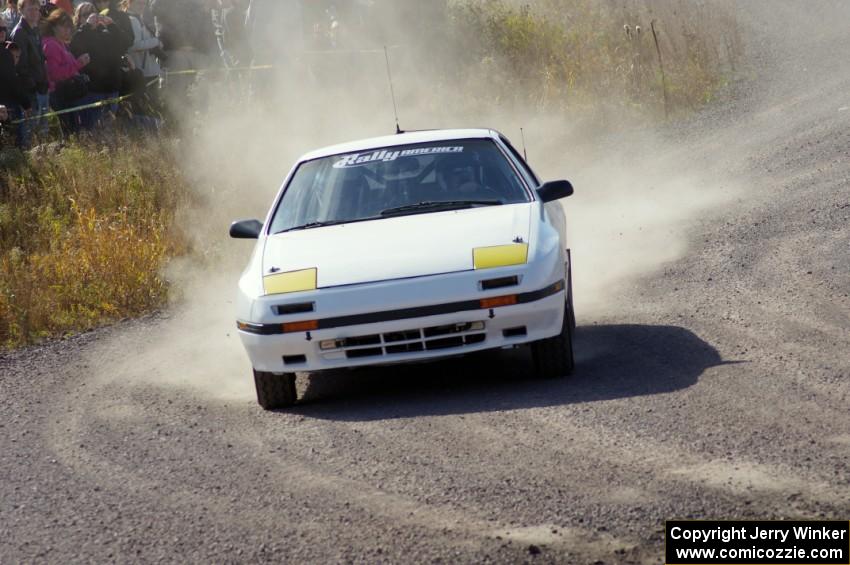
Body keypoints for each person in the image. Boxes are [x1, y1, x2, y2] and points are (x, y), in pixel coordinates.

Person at [70, 2, 125, 124]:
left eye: (93, 13)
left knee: (109, 128)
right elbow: (74, 47)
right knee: (94, 130)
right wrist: (87, 26)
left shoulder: (105, 33)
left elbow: (122, 45)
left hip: (111, 88)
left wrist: (112, 25)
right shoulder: (79, 34)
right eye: (86, 14)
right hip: (93, 90)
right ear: (78, 19)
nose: (91, 16)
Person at [41, 8, 91, 133]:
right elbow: (55, 74)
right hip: (58, 95)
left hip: (66, 94)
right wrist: (78, 64)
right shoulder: (51, 45)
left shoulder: (61, 43)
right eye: (64, 27)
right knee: (68, 132)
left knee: (74, 131)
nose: (68, 30)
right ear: (53, 27)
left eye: (70, 27)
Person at [11, 0, 48, 146]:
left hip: (42, 89)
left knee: (43, 133)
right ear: (22, 10)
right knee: (30, 136)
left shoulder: (35, 30)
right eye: (30, 9)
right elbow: (20, 67)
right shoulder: (19, 32)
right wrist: (34, 88)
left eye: (37, 9)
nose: (34, 12)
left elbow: (40, 60)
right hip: (31, 93)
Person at [121, 0, 162, 123]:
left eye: (144, 3)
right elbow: (133, 46)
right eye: (138, 2)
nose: (142, 4)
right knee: (143, 108)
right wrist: (156, 42)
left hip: (150, 70)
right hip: (140, 72)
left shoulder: (141, 18)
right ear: (129, 2)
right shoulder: (129, 19)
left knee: (153, 107)